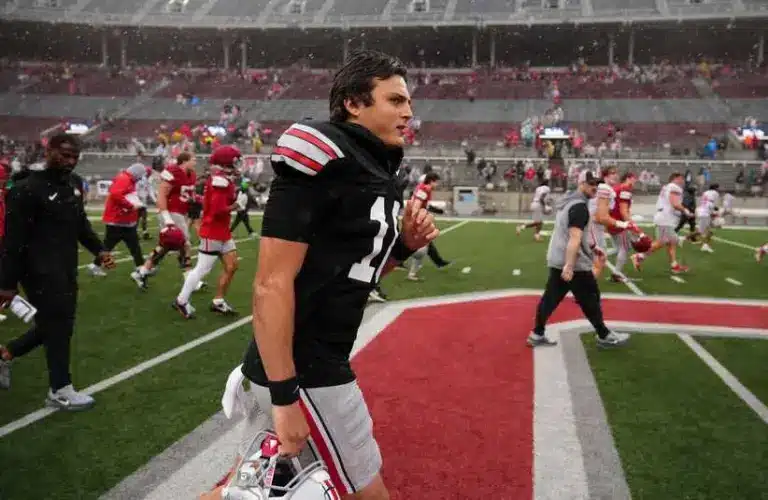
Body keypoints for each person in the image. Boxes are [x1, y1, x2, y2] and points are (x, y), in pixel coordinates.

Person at [203, 50, 439, 500]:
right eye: (395, 100)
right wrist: (284, 396)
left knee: (246, 490)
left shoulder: (376, 169)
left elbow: (354, 277)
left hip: (313, 359)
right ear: (353, 103)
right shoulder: (324, 153)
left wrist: (405, 246)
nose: (408, 111)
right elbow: (270, 283)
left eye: (408, 101)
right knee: (370, 494)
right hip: (308, 368)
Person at [0, 133, 115, 407]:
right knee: (59, 326)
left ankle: (6, 354)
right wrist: (7, 284)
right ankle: (60, 388)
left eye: (75, 157)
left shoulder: (74, 184)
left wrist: (99, 250)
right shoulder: (26, 189)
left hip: (65, 266)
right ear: (48, 152)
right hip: (37, 270)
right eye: (64, 155)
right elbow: (13, 241)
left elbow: (81, 225)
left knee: (56, 325)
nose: (70, 161)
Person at [527, 170, 630, 349]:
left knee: (550, 298)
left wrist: (593, 247)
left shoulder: (570, 201)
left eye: (596, 184)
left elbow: (574, 235)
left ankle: (537, 333)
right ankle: (604, 335)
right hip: (574, 262)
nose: (594, 187)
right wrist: (569, 265)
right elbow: (574, 238)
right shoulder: (579, 206)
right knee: (591, 298)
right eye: (591, 183)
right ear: (581, 183)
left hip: (558, 257)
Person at [173, 145, 241, 318]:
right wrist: (236, 205)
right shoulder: (220, 181)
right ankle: (181, 301)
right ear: (227, 161)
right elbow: (218, 210)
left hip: (222, 231)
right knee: (202, 270)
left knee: (232, 266)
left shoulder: (223, 178)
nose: (238, 163)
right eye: (235, 160)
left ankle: (218, 301)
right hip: (213, 231)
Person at [132, 152, 197, 289]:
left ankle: (142, 271)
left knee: (166, 245)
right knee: (185, 244)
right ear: (184, 161)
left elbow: (187, 194)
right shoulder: (173, 171)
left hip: (180, 212)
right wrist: (167, 217)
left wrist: (195, 202)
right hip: (171, 212)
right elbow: (162, 195)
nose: (195, 162)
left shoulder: (191, 174)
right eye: (193, 160)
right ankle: (189, 278)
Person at [87, 163, 149, 278]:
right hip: (118, 219)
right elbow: (116, 194)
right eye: (140, 175)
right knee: (124, 245)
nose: (141, 178)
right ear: (136, 173)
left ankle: (140, 268)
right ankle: (140, 268)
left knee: (128, 245)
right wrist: (131, 206)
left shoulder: (127, 179)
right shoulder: (124, 179)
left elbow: (122, 195)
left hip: (122, 219)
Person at [632, 172, 692, 274]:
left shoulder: (667, 187)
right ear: (675, 178)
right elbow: (675, 204)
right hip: (666, 218)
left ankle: (674, 265)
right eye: (681, 179)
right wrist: (686, 211)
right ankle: (639, 256)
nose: (682, 181)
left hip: (665, 217)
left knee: (672, 242)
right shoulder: (674, 187)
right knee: (661, 241)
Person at [406, 171, 451, 281]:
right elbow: (416, 205)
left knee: (426, 242)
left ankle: (438, 262)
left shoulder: (424, 189)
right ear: (431, 181)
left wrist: (439, 211)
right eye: (437, 182)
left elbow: (424, 205)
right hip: (415, 220)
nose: (437, 184)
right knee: (421, 248)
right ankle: (410, 271)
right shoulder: (424, 190)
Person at [607, 172, 640, 282]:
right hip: (619, 222)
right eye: (634, 178)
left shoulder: (617, 188)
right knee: (625, 248)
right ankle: (616, 274)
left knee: (619, 248)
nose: (635, 181)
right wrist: (632, 224)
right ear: (628, 178)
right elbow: (623, 211)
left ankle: (599, 254)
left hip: (611, 221)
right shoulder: (625, 189)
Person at [694, 183, 721, 253]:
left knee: (705, 231)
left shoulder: (705, 192)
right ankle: (705, 245)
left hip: (701, 211)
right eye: (718, 188)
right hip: (705, 214)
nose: (719, 189)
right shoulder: (715, 193)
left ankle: (705, 245)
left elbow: (707, 203)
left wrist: (714, 211)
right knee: (706, 231)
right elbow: (715, 205)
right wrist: (716, 211)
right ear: (715, 188)